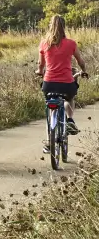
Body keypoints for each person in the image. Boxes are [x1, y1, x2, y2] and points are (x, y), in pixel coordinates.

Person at [38, 15, 87, 147]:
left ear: (50, 26)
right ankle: (70, 119)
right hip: (66, 83)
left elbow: (40, 65)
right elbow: (80, 61)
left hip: (49, 83)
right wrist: (83, 70)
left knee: (50, 106)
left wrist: (39, 71)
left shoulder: (44, 43)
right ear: (64, 27)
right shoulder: (71, 43)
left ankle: (49, 140)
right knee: (69, 99)